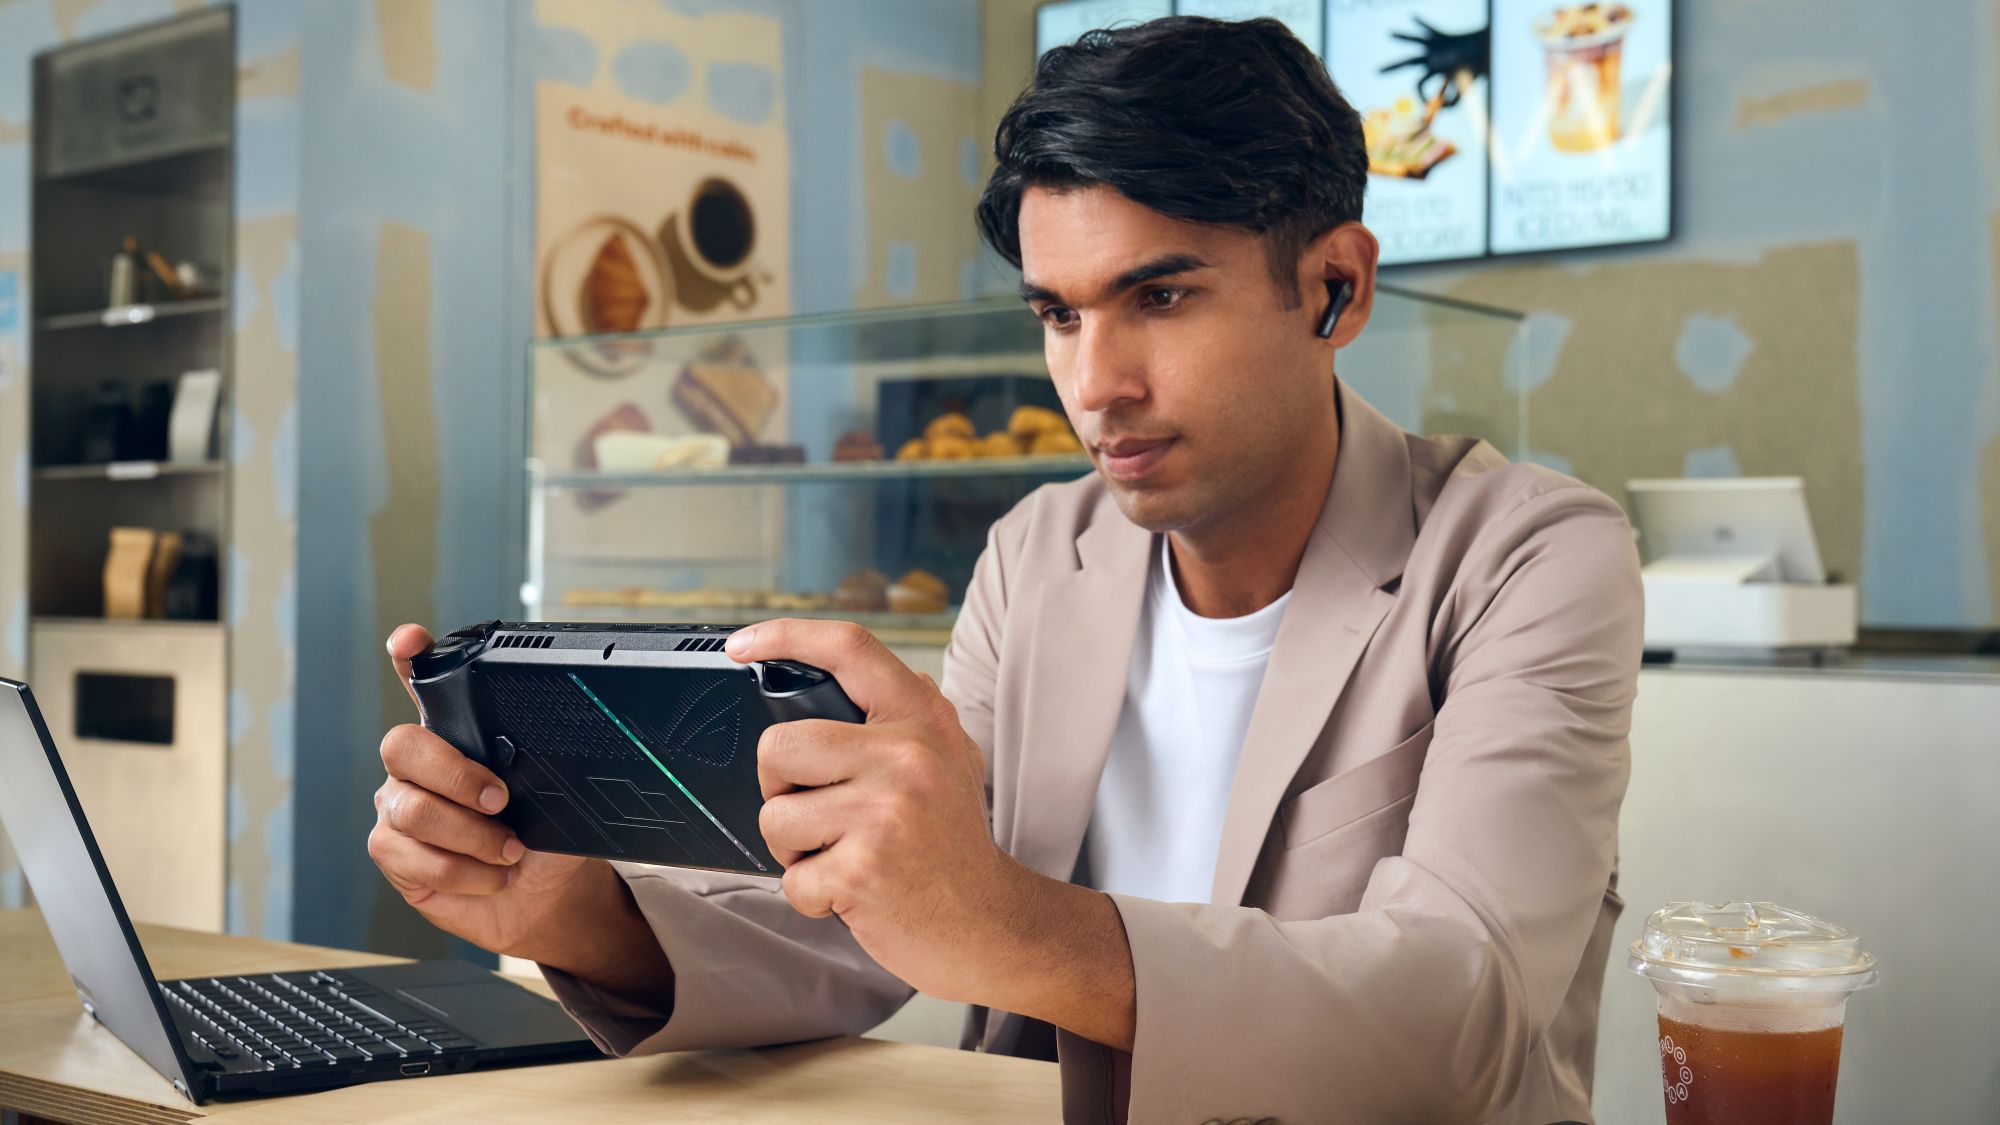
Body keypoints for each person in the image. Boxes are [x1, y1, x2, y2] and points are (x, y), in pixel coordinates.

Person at [368, 17, 1641, 1124]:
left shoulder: (1528, 554)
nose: (1094, 385)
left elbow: (1455, 1019)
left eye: (1161, 298)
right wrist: (570, 911)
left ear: (1334, 287)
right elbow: (870, 930)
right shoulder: (1040, 549)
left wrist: (1003, 925)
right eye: (1058, 314)